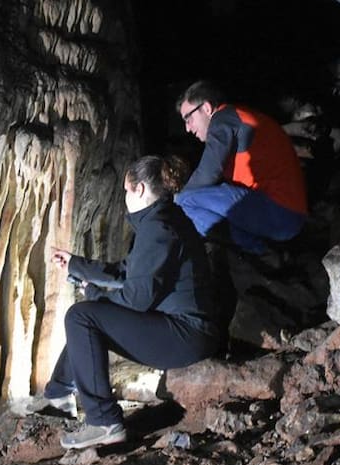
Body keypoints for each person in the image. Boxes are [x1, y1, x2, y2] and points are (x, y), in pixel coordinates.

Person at [28, 155, 224, 449]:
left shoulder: (158, 229)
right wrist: (76, 265)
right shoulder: (165, 220)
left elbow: (136, 300)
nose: (124, 198)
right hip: (187, 330)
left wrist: (93, 295)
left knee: (82, 317)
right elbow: (127, 271)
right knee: (88, 317)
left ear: (141, 189)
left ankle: (104, 421)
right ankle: (58, 394)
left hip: (186, 336)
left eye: (126, 191)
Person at [175, 80, 308, 254]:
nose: (187, 128)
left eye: (188, 118)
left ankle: (251, 251)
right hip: (286, 214)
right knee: (205, 197)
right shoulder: (239, 117)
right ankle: (260, 251)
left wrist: (174, 201)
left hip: (279, 212)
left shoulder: (223, 119)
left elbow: (208, 173)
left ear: (206, 108)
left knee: (185, 201)